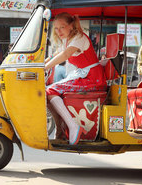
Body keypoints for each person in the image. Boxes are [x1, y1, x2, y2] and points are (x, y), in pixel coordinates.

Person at [45, 13, 106, 145]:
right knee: (48, 92)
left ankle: (73, 126)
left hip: (92, 77)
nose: (58, 31)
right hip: (83, 74)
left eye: (62, 27)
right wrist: (41, 63)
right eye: (56, 28)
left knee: (50, 91)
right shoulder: (68, 39)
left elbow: (65, 54)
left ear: (71, 25)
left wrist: (45, 67)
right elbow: (57, 53)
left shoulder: (79, 37)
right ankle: (61, 130)